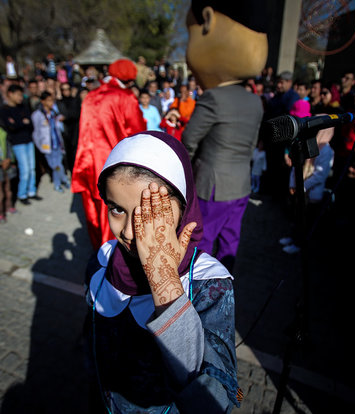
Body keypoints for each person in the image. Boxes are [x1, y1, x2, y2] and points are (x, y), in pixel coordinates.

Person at [85, 131, 242, 413]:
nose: (132, 232)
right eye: (117, 209)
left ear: (184, 208)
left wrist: (164, 281)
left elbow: (216, 400)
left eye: (150, 213)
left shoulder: (209, 283)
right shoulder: (103, 261)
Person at [182, 0, 268, 272]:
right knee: (230, 242)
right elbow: (253, 141)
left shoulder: (214, 98)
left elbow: (189, 140)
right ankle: (222, 287)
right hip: (241, 184)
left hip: (213, 185)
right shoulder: (255, 102)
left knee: (202, 242)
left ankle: (198, 293)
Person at [71, 58, 146, 251]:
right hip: (112, 165)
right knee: (113, 215)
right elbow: (138, 134)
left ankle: (98, 252)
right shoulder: (125, 97)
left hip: (87, 163)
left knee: (92, 213)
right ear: (129, 79)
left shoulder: (90, 96)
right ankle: (110, 260)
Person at [279, 126, 335, 254]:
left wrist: (302, 186)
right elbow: (297, 164)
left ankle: (299, 243)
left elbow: (320, 175)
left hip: (311, 193)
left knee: (306, 220)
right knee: (296, 215)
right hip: (299, 189)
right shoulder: (307, 143)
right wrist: (293, 184)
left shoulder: (326, 150)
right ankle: (293, 237)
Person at [0, 84, 38, 204]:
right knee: (24, 169)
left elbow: (30, 123)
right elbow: (11, 127)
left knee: (32, 168)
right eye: (19, 95)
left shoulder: (24, 107)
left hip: (28, 141)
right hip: (17, 143)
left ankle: (31, 191)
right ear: (10, 94)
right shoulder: (4, 110)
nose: (21, 97)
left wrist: (19, 123)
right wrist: (22, 123)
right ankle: (22, 194)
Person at [31, 91, 69, 193]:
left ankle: (60, 183)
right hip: (48, 146)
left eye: (52, 100)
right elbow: (36, 133)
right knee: (56, 166)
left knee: (58, 164)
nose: (51, 102)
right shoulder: (37, 115)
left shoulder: (54, 112)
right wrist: (41, 147)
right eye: (48, 100)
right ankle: (61, 182)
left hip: (57, 144)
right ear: (42, 101)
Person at [57, 82, 81, 174]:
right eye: (64, 89)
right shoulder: (59, 102)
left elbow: (76, 114)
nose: (66, 91)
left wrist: (66, 117)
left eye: (68, 89)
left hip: (75, 131)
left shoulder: (75, 100)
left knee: (75, 152)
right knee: (68, 154)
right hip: (65, 132)